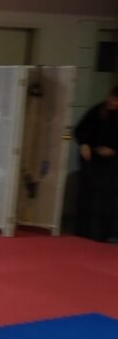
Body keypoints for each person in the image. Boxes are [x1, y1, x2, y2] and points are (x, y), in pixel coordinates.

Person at [74, 86, 118, 242]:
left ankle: (105, 234)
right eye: (112, 98)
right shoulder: (96, 110)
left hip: (110, 161)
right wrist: (84, 143)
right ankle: (81, 231)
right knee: (86, 194)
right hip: (91, 158)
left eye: (116, 101)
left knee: (107, 196)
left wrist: (113, 150)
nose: (113, 102)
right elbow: (78, 131)